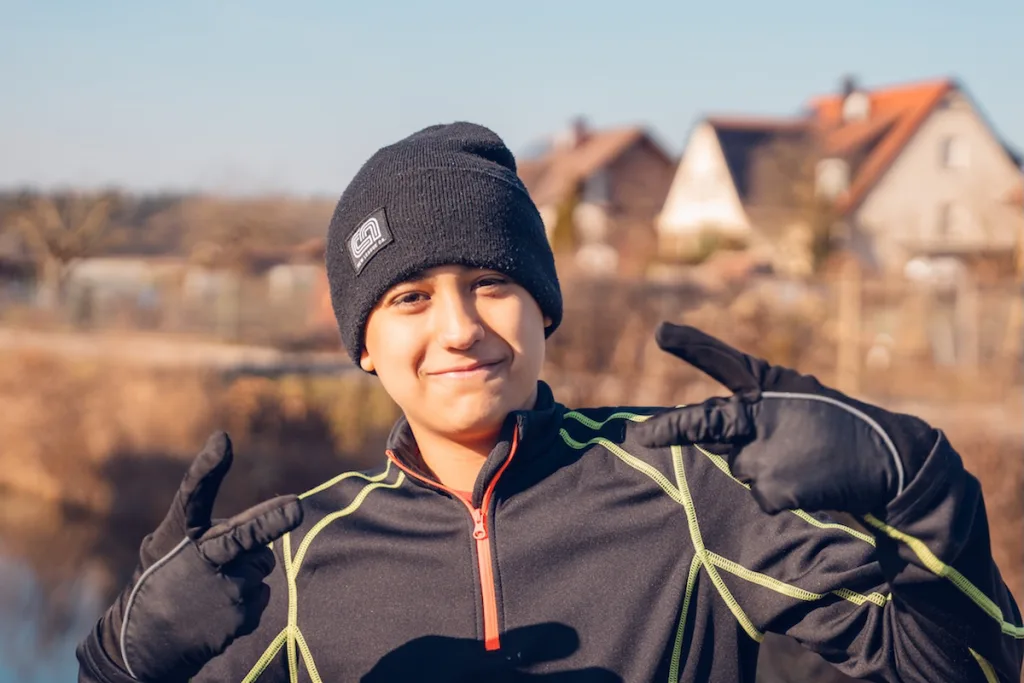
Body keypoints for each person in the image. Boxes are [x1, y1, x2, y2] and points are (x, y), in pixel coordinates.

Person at [77, 122, 1023, 683]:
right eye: (409, 298)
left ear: (543, 309)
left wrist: (922, 490)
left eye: (491, 283)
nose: (459, 328)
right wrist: (122, 661)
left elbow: (972, 667)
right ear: (363, 343)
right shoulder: (295, 560)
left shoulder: (691, 493)